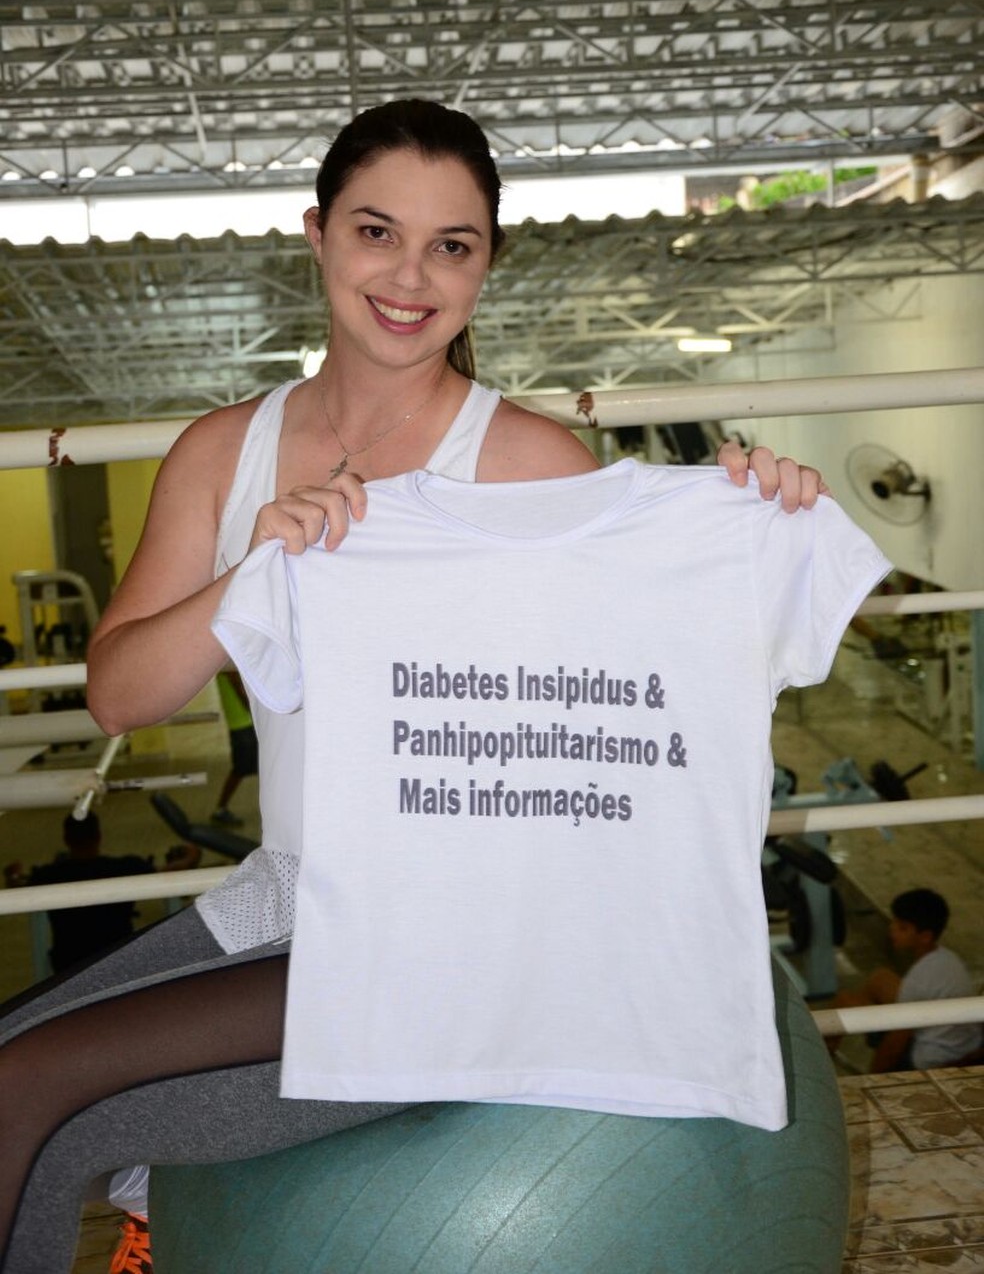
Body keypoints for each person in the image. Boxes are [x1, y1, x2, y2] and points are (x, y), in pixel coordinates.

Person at [0, 98, 829, 1274]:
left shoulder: (532, 463)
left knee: (26, 1087)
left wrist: (747, 530)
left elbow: (628, 723)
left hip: (461, 937)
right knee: (17, 1072)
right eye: (377, 232)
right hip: (290, 905)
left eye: (454, 245)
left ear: (488, 262)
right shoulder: (221, 452)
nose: (411, 276)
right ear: (318, 234)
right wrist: (252, 578)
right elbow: (120, 694)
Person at [3, 812, 201, 975]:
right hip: (119, 960)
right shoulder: (126, 868)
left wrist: (11, 875)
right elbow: (172, 871)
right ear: (99, 836)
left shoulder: (48, 875)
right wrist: (192, 855)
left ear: (66, 839)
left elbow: (17, 889)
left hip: (68, 966)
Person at [829, 888, 982, 1072]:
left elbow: (894, 1046)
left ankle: (825, 1053)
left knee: (844, 1001)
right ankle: (857, 1036)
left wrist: (872, 1079)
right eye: (894, 922)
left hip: (932, 1059)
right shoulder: (947, 958)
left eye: (902, 927)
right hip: (967, 1042)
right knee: (881, 978)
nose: (892, 929)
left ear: (925, 937)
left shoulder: (919, 980)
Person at [210, 670, 258, 828]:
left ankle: (276, 804)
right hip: (242, 725)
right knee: (240, 769)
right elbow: (241, 691)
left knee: (261, 766)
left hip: (244, 724)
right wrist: (257, 713)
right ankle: (220, 809)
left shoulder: (227, 664)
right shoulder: (228, 667)